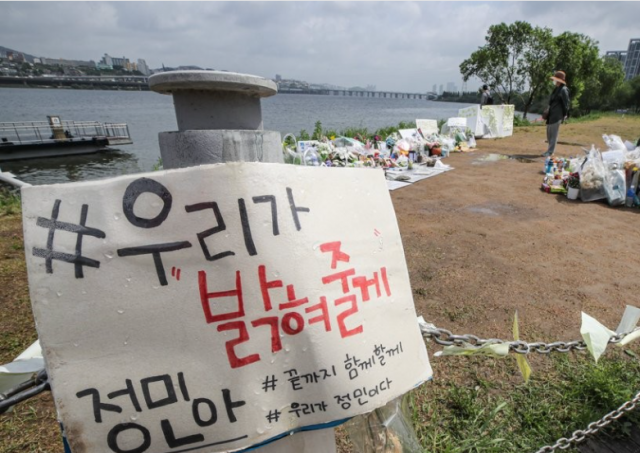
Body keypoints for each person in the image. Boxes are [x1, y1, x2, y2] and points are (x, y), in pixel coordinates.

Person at [542, 70, 570, 157]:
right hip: (551, 115)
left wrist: (565, 114)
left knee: (553, 135)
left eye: (556, 79)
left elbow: (566, 104)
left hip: (557, 115)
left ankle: (550, 152)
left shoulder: (564, 90)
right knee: (549, 134)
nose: (554, 81)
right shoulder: (557, 89)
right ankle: (549, 150)